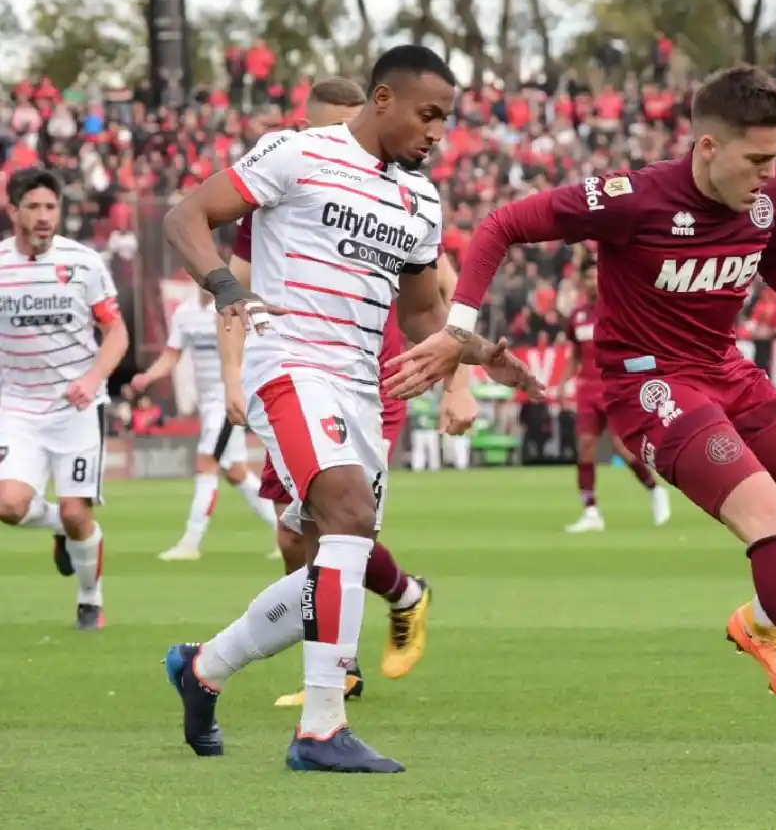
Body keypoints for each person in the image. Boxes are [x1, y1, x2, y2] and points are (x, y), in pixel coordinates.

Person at [394, 66, 776, 753]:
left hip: (726, 370)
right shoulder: (633, 199)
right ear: (707, 149)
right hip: (649, 387)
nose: (770, 175)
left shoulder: (770, 194)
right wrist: (460, 330)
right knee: (769, 518)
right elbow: (503, 223)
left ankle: (766, 622)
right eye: (758, 159)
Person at [162, 46, 540, 773]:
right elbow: (187, 215)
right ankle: (321, 729)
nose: (438, 132)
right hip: (290, 369)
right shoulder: (297, 154)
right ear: (382, 98)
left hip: (362, 391)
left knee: (334, 561)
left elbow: (427, 314)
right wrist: (224, 287)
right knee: (347, 516)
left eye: (447, 120)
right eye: (428, 114)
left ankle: (202, 666)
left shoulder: (420, 200)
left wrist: (482, 355)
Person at [216, 77, 476, 707]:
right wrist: (233, 374)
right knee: (301, 536)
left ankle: (326, 672)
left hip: (377, 378)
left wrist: (458, 384)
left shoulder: (408, 195)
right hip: (297, 375)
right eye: (322, 129)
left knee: (340, 522)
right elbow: (234, 290)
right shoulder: (283, 187)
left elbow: (442, 306)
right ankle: (381, 618)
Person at [0, 168, 129, 629]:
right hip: (16, 407)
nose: (42, 216)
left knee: (79, 512)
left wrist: (94, 378)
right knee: (9, 506)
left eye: (50, 207)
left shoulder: (85, 264)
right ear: (13, 210)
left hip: (76, 407)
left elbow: (116, 332)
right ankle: (56, 524)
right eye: (32, 207)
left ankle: (90, 599)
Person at [131, 287, 279, 560]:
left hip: (228, 399)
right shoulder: (185, 314)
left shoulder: (233, 309)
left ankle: (190, 542)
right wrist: (147, 378)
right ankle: (286, 530)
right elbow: (172, 354)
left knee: (206, 463)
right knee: (236, 472)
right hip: (208, 403)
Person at [562, 261, 670, 533]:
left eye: (594, 276)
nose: (590, 282)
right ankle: (591, 512)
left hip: (614, 387)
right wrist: (564, 383)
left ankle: (655, 489)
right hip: (586, 390)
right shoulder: (577, 317)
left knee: (623, 447)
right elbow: (574, 354)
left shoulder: (619, 310)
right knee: (586, 448)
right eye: (586, 277)